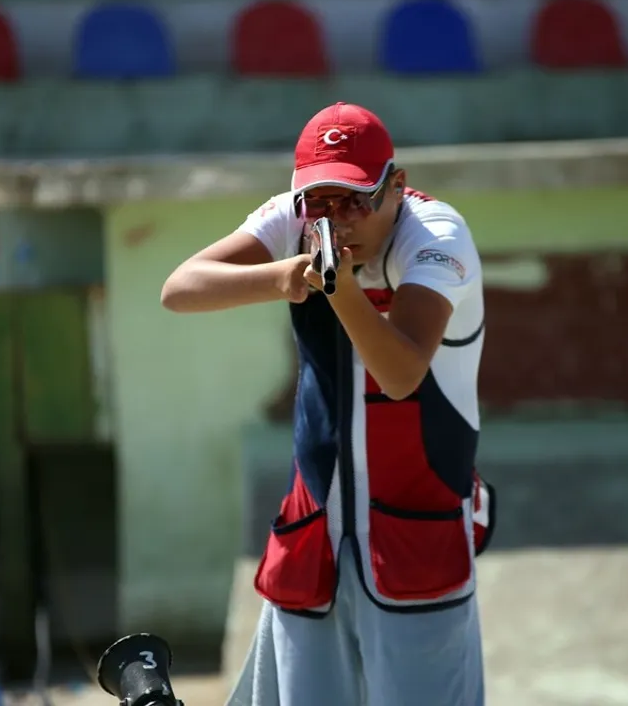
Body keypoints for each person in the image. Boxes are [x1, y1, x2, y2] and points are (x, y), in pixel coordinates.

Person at [160, 102, 495, 706]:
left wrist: (335, 285)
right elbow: (180, 289)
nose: (337, 219)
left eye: (356, 200)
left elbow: (400, 372)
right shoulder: (298, 218)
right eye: (321, 201)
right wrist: (285, 275)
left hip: (418, 546)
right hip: (311, 542)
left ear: (396, 185)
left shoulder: (439, 235)